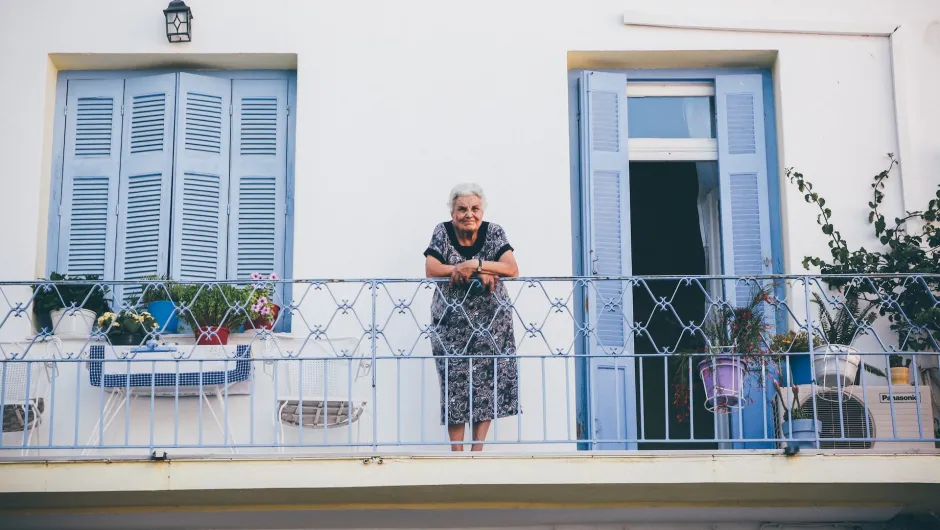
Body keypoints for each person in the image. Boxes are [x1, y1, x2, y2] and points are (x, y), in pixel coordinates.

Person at [423, 183, 520, 451]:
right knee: (454, 382)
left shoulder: (494, 232)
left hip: (492, 323)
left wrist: (474, 265)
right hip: (451, 323)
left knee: (487, 382)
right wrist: (462, 268)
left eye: (475, 208)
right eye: (462, 209)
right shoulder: (442, 232)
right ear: (452, 213)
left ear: (482, 210)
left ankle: (477, 450)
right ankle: (457, 452)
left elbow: (511, 268)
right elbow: (431, 269)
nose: (469, 214)